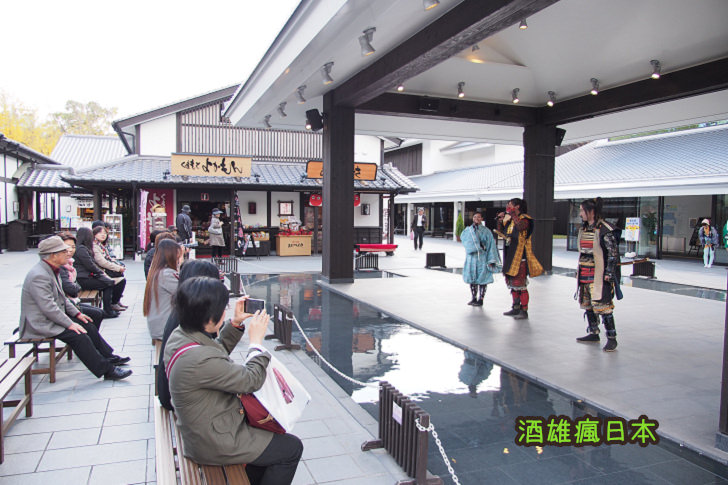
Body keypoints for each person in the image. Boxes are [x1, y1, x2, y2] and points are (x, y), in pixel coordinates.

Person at [165, 277, 303, 483]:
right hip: (214, 441)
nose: (225, 311)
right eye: (223, 309)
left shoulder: (180, 335)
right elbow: (251, 380)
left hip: (202, 427)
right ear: (209, 319)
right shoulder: (199, 359)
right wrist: (256, 344)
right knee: (291, 448)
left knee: (270, 450)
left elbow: (214, 356)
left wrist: (235, 323)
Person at [19, 236, 131, 380]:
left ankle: (107, 357)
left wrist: (77, 315)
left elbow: (62, 299)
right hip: (40, 323)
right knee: (78, 335)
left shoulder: (51, 269)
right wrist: (70, 324)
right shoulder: (39, 275)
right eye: (63, 251)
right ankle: (107, 370)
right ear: (53, 255)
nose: (68, 253)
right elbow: (49, 308)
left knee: (86, 322)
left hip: (51, 317)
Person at [157, 259, 221, 410]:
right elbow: (246, 379)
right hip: (179, 400)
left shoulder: (182, 311)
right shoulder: (192, 321)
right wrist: (256, 343)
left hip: (170, 391)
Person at [575, 197, 621, 352]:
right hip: (584, 272)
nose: (580, 214)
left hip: (599, 275)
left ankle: (612, 338)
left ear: (591, 211)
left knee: (603, 306)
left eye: (582, 210)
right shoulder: (584, 229)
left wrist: (609, 272)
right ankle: (593, 332)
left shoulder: (604, 229)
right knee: (588, 304)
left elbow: (613, 253)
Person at [496, 198, 543, 320]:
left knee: (520, 284)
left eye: (510, 204)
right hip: (510, 254)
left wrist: (512, 215)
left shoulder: (525, 219)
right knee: (512, 283)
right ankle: (515, 307)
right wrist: (500, 220)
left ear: (517, 206)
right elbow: (502, 232)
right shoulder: (510, 220)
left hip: (520, 255)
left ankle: (524, 310)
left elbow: (521, 227)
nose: (508, 206)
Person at [57, 232, 105, 330]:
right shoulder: (60, 266)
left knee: (99, 313)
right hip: (64, 306)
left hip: (70, 301)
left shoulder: (69, 263)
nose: (71, 250)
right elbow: (71, 289)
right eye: (67, 246)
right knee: (95, 315)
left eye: (73, 247)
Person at [74, 227, 121, 319]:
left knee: (109, 282)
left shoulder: (81, 248)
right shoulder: (81, 249)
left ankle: (109, 309)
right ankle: (108, 310)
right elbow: (90, 265)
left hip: (85, 276)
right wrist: (101, 273)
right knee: (108, 283)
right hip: (83, 279)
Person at [144, 239, 183, 341]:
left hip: (159, 323)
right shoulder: (166, 274)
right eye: (178, 256)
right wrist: (181, 262)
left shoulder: (158, 271)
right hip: (165, 327)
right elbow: (185, 292)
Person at [461, 212, 501, 306]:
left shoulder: (486, 231)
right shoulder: (468, 230)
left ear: (482, 218)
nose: (476, 218)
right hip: (471, 258)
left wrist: (491, 259)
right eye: (475, 217)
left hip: (482, 258)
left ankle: (481, 299)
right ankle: (473, 298)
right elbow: (464, 241)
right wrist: (473, 247)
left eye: (479, 217)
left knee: (483, 279)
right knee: (472, 278)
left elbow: (491, 245)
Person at [92, 225, 127, 310]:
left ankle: (116, 300)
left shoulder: (101, 245)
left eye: (105, 233)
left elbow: (109, 258)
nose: (103, 235)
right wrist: (117, 268)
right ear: (94, 234)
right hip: (100, 271)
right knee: (120, 279)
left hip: (104, 269)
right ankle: (113, 302)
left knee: (120, 274)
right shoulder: (94, 246)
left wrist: (118, 265)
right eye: (100, 233)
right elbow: (102, 262)